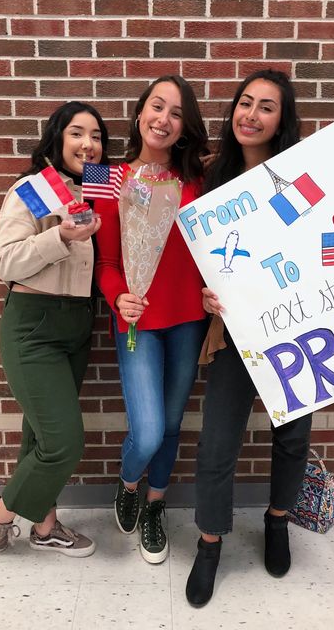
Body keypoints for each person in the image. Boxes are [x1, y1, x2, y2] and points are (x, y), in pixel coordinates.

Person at [185, 68, 334, 606]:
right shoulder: (210, 178)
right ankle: (210, 542)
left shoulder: (307, 175)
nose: (251, 114)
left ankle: (278, 520)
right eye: (244, 102)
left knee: (292, 437)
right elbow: (193, 262)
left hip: (298, 325)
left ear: (281, 121)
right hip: (235, 331)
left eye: (266, 106)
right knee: (218, 441)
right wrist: (204, 296)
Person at [0, 101, 108, 557]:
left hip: (77, 324)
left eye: (95, 136)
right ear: (58, 138)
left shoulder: (97, 193)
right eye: (76, 133)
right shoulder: (35, 190)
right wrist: (61, 238)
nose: (88, 144)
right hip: (32, 325)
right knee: (63, 442)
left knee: (38, 435)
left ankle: (46, 526)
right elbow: (3, 262)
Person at [94, 75, 209, 564]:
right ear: (140, 114)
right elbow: (104, 263)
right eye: (156, 107)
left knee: (173, 421)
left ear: (184, 129)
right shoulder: (105, 176)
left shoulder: (199, 179)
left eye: (176, 113)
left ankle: (156, 505)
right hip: (136, 322)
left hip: (188, 319)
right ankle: (128, 484)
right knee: (148, 430)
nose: (163, 119)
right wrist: (118, 297)